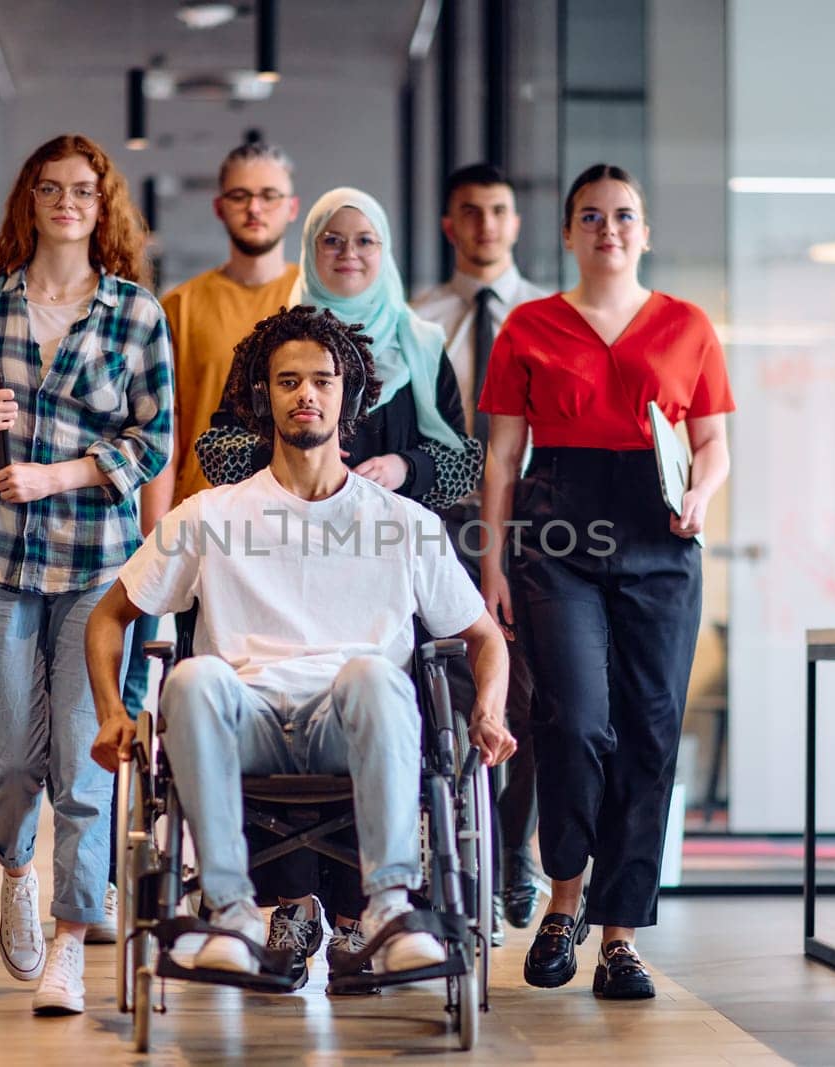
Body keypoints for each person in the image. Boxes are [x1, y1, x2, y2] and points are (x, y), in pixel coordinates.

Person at [86, 305, 516, 983]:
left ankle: (390, 909)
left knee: (375, 674)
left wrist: (488, 710)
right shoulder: (210, 514)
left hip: (352, 722)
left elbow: (483, 636)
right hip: (245, 722)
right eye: (288, 381)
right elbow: (109, 616)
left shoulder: (404, 521)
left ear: (350, 394)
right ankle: (228, 913)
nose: (307, 394)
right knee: (192, 678)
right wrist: (113, 710)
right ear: (263, 395)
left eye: (322, 379)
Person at [192, 187, 482, 988]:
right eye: (332, 242)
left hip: (382, 567)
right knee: (256, 687)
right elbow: (217, 449)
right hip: (274, 556)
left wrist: (404, 470)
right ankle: (285, 904)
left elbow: (467, 462)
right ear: (310, 249)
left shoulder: (421, 343)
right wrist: (289, 471)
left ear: (385, 253)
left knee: (374, 703)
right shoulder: (279, 345)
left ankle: (366, 917)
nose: (349, 254)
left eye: (365, 242)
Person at [0, 133, 173, 1016]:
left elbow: (154, 440)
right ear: (28, 201)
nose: (67, 201)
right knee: (8, 759)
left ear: (103, 208)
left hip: (99, 569)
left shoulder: (136, 313)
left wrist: (59, 474)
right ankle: (15, 868)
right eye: (50, 188)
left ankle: (70, 938)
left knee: (86, 755)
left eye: (82, 190)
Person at [478, 163, 733, 1000]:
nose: (609, 230)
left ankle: (619, 936)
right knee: (577, 719)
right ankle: (562, 900)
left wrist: (702, 491)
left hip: (660, 540)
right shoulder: (529, 324)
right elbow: (503, 458)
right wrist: (492, 570)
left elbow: (713, 443)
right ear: (567, 233)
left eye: (624, 216)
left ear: (645, 231)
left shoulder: (689, 325)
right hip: (558, 535)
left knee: (652, 732)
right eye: (591, 216)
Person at [411, 162, 548, 939]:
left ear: (517, 223)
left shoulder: (550, 314)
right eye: (471, 211)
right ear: (449, 225)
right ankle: (464, 857)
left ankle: (514, 847)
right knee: (451, 693)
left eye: (499, 210)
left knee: (526, 692)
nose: (487, 224)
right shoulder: (417, 317)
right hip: (440, 521)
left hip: (532, 523)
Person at [123, 142, 302, 714]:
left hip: (301, 522)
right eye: (241, 196)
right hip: (208, 528)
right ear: (220, 207)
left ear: (292, 207)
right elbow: (162, 434)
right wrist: (158, 531)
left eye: (269, 195)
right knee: (206, 688)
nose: (256, 208)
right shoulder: (179, 307)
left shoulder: (313, 298)